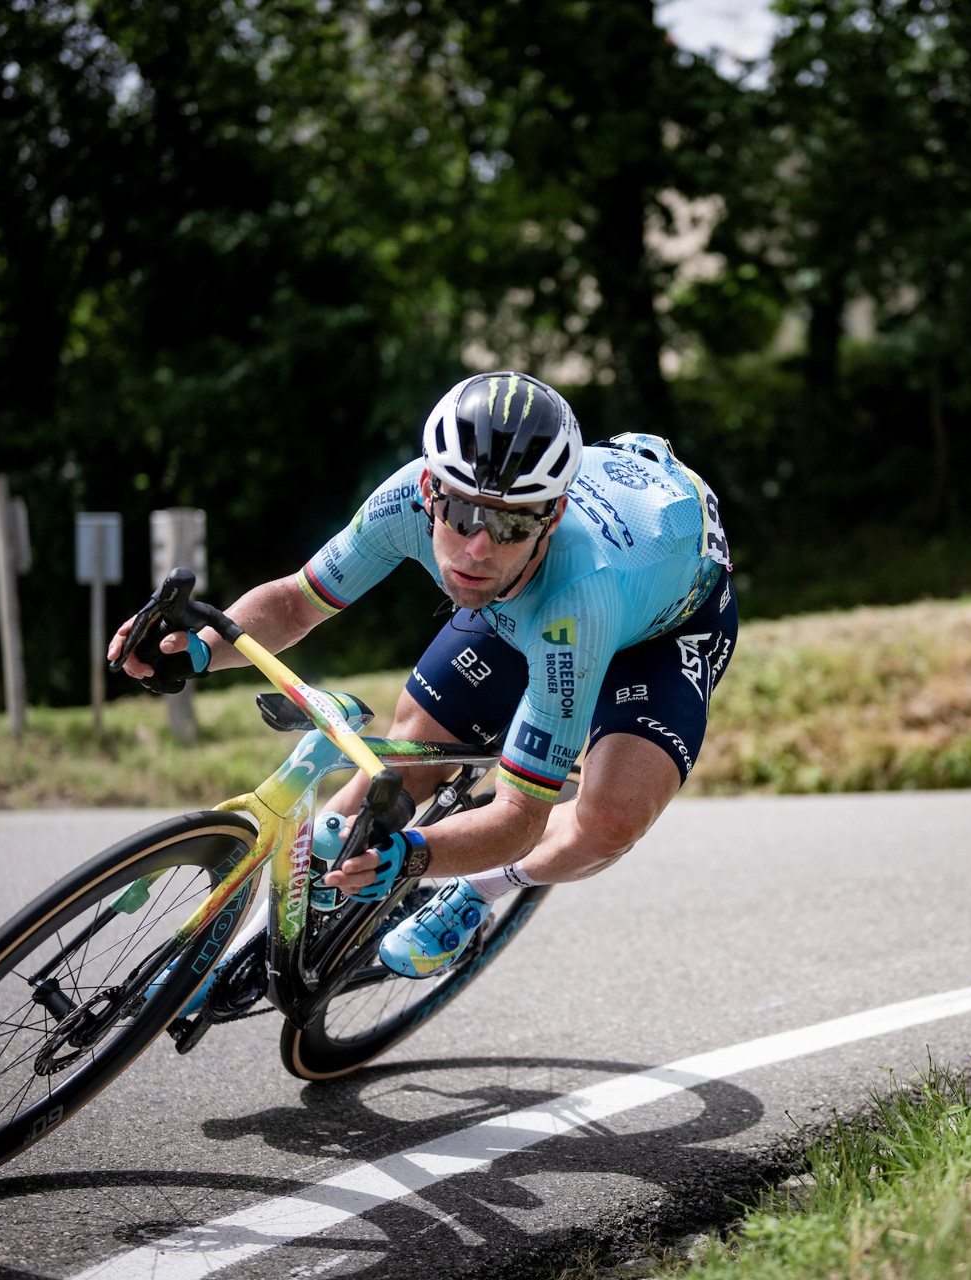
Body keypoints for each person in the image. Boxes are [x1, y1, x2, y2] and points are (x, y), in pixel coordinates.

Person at [109, 371, 736, 978]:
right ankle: (258, 934)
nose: (477, 549)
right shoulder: (405, 498)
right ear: (431, 490)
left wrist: (417, 857)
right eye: (462, 514)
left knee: (609, 820)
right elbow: (296, 602)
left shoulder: (581, 601)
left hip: (662, 627)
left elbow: (519, 816)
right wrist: (193, 648)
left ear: (552, 513)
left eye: (512, 524)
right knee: (404, 763)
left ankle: (478, 891)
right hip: (522, 601)